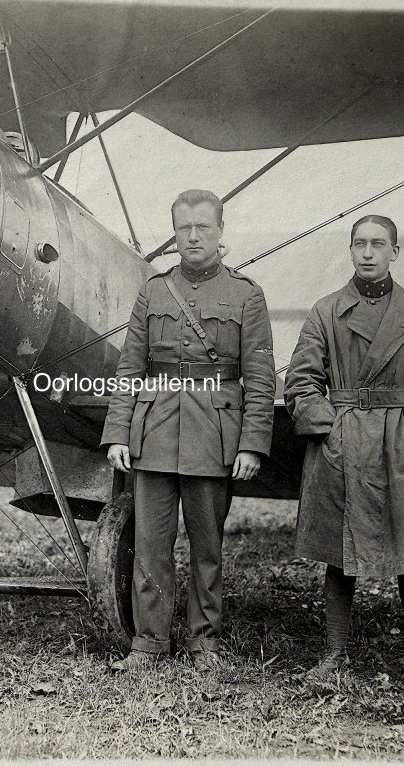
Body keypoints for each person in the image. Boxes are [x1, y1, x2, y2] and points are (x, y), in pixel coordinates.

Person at [101, 189, 276, 672]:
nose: (193, 236)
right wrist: (118, 431)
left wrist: (252, 443)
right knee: (151, 548)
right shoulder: (154, 291)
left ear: (221, 231)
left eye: (203, 227)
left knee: (208, 550)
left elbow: (261, 378)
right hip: (154, 432)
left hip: (215, 436)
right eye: (184, 228)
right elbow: (130, 367)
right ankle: (149, 642)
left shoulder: (246, 296)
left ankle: (204, 643)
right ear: (174, 233)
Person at [283, 214, 404, 689]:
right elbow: (300, 381)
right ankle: (335, 655)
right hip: (344, 444)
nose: (367, 253)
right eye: (359, 243)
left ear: (395, 252)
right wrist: (331, 428)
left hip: (401, 444)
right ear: (351, 250)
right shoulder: (326, 311)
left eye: (378, 245)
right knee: (342, 555)